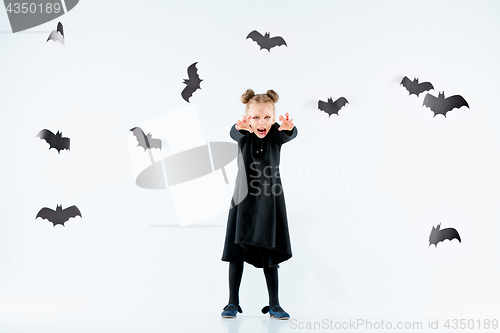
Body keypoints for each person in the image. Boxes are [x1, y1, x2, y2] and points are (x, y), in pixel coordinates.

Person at [221, 88, 297, 320]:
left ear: (273, 119)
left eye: (266, 117)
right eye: (256, 117)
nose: (261, 122)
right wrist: (239, 129)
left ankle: (274, 304)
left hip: (270, 197)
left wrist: (288, 128)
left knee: (270, 250)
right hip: (244, 197)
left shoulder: (275, 134)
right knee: (237, 250)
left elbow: (289, 135)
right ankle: (232, 302)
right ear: (248, 118)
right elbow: (235, 134)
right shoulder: (244, 134)